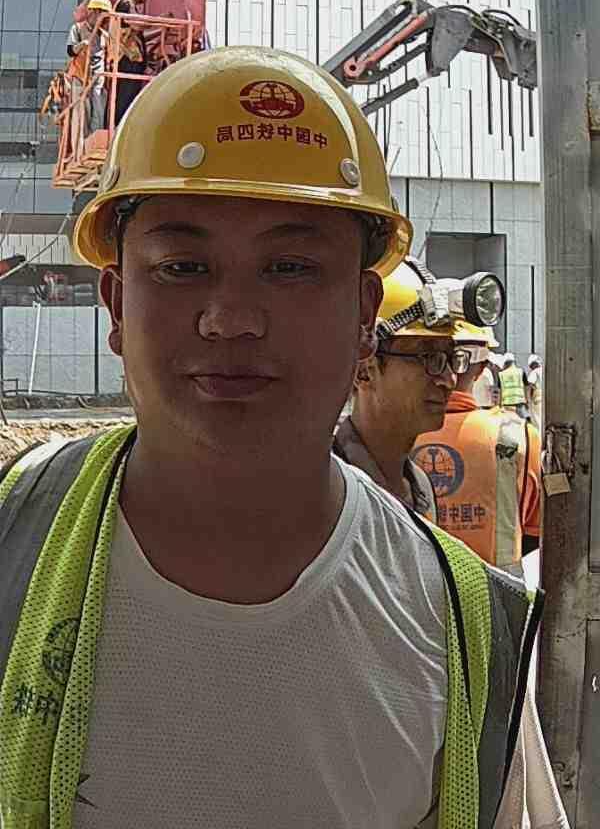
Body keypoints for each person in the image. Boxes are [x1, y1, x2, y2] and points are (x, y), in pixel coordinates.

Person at [0, 48, 557, 829]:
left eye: (290, 267)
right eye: (183, 266)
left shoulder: (465, 627)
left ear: (363, 314)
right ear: (117, 303)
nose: (231, 318)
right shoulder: (13, 540)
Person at [333, 259, 477, 521]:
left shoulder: (420, 487)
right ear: (364, 370)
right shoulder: (326, 488)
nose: (449, 380)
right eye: (428, 357)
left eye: (450, 358)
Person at [413, 325, 541, 576]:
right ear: (482, 368)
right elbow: (533, 530)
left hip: (416, 592)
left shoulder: (393, 435)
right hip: (499, 594)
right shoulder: (518, 435)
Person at [66, 0, 112, 159]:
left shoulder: (104, 35)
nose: (105, 20)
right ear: (94, 12)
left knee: (98, 111)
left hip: (97, 78)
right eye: (103, 15)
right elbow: (70, 50)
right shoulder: (78, 29)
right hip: (80, 77)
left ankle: (94, 147)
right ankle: (80, 153)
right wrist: (82, 45)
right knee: (81, 115)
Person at [112, 0, 154, 125]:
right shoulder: (125, 4)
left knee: (128, 100)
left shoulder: (129, 7)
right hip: (127, 62)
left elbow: (138, 32)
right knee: (125, 101)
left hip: (130, 62)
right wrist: (158, 20)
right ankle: (119, 127)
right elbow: (137, 24)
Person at [498, 351, 528, 418]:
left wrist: (499, 404)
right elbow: (526, 388)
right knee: (522, 422)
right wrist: (527, 400)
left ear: (505, 363)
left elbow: (500, 391)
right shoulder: (521, 372)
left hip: (507, 404)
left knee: (508, 422)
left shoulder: (501, 374)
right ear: (514, 362)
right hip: (519, 403)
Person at [527, 353, 544, 430]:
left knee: (537, 420)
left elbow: (530, 386)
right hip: (546, 398)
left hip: (537, 399)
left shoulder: (534, 372)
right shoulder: (545, 370)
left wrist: (528, 400)